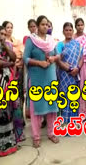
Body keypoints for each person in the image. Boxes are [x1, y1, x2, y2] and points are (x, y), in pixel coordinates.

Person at [23, 15, 60, 148]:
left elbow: (57, 55)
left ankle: (51, 133)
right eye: (43, 24)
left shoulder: (51, 40)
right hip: (37, 77)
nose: (45, 27)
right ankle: (36, 136)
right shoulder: (31, 40)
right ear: (37, 26)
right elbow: (25, 59)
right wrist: (39, 63)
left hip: (50, 76)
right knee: (36, 107)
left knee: (51, 106)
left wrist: (53, 59)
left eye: (47, 25)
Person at [0, 21, 21, 156]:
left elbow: (13, 57)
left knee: (7, 113)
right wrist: (9, 64)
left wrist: (5, 47)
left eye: (0, 33)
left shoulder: (2, 45)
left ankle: (8, 144)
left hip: (6, 83)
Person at [57, 22, 83, 124]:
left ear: (73, 31)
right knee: (64, 96)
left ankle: (73, 121)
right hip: (64, 75)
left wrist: (77, 68)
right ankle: (64, 122)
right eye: (66, 30)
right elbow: (58, 59)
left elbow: (81, 58)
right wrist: (68, 69)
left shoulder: (77, 44)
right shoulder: (60, 44)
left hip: (75, 75)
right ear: (63, 31)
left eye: (70, 30)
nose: (68, 32)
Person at [74, 18, 86, 119]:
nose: (80, 27)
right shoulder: (73, 38)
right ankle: (78, 112)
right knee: (76, 89)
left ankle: (85, 113)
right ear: (75, 26)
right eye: (78, 25)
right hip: (75, 66)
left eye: (82, 25)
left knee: (85, 88)